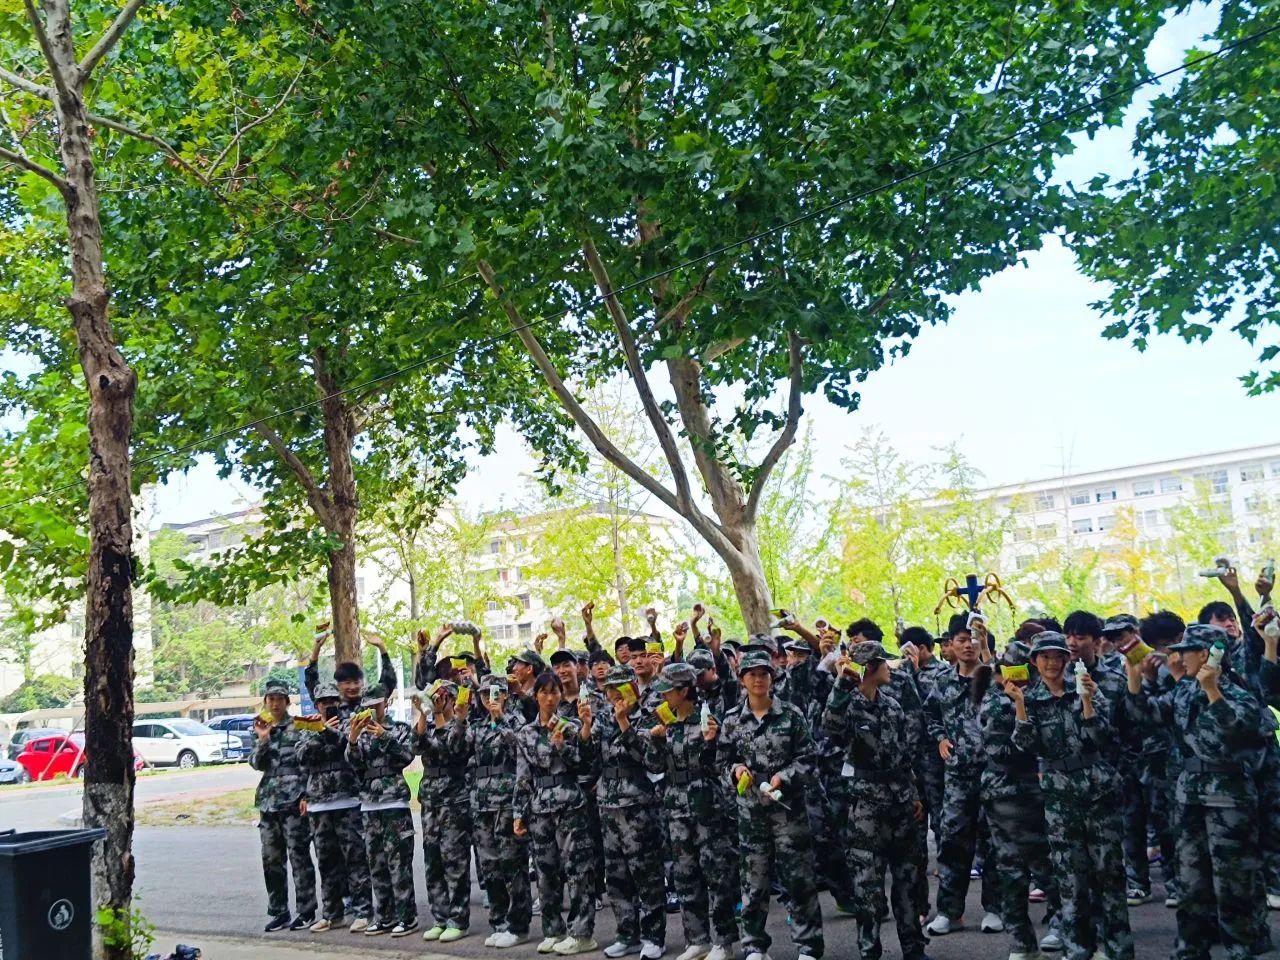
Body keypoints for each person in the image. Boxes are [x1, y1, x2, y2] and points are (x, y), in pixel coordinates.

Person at [1125, 623, 1270, 960]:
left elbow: (1239, 734)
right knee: (1191, 884)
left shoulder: (1238, 693)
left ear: (1205, 654)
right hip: (1189, 798)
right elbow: (1146, 716)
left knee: (1234, 885)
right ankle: (1190, 950)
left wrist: (1213, 690)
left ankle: (1243, 950)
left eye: (1185, 652)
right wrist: (1135, 679)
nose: (1179, 658)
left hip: (1229, 801)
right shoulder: (1184, 692)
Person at [1009, 632, 1133, 960]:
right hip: (1060, 796)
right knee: (1070, 877)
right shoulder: (1030, 698)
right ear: (1034, 661)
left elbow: (1103, 736)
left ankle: (1117, 949)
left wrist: (1088, 701)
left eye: (1058, 656)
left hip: (1098, 789)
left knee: (1109, 873)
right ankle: (1079, 949)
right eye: (1045, 657)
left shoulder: (1086, 687)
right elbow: (1025, 746)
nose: (1052, 663)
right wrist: (1019, 706)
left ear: (1067, 660)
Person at [714, 649, 824, 960]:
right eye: (752, 674)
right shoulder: (732, 720)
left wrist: (783, 777)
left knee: (798, 880)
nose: (758, 679)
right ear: (742, 680)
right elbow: (721, 762)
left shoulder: (791, 715)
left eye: (764, 674)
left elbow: (808, 759)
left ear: (772, 678)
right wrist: (736, 770)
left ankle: (808, 946)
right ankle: (754, 946)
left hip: (788, 811)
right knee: (754, 882)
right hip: (751, 813)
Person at [823, 641, 929, 960]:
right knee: (867, 885)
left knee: (908, 879)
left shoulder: (892, 705)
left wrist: (914, 793)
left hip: (900, 801)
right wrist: (841, 686)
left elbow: (903, 755)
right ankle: (869, 950)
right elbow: (830, 728)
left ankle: (913, 947)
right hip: (866, 805)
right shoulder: (847, 704)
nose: (889, 668)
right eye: (884, 663)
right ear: (870, 667)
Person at [644, 662, 738, 960]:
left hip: (706, 805)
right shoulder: (667, 724)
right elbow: (653, 766)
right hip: (676, 808)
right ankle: (697, 939)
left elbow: (720, 763)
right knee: (685, 875)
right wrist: (656, 741)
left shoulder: (707, 720)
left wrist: (711, 743)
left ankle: (723, 941)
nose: (663, 697)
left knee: (716, 873)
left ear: (684, 691)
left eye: (668, 691)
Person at [976, 643, 1061, 959]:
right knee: (1016, 867)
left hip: (1035, 790)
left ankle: (1057, 927)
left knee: (1042, 865)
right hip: (1008, 793)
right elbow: (1005, 750)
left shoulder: (1039, 696)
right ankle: (1025, 942)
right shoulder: (997, 702)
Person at [923, 613, 1001, 936]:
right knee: (952, 841)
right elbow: (930, 714)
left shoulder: (994, 677)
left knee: (993, 841)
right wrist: (940, 737)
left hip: (993, 773)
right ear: (951, 645)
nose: (968, 645)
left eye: (973, 639)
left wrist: (989, 657)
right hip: (957, 775)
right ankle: (949, 911)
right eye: (961, 640)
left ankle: (996, 908)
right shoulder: (942, 681)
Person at [585, 665, 667, 960]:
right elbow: (588, 758)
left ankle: (654, 936)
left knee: (646, 874)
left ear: (634, 687)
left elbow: (652, 760)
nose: (617, 695)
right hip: (608, 806)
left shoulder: (649, 717)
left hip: (638, 807)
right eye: (611, 689)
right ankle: (627, 934)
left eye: (622, 687)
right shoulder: (602, 719)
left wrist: (625, 725)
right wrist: (584, 729)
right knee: (616, 876)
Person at [513, 672, 597, 956]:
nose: (550, 698)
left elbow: (585, 764)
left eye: (555, 692)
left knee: (577, 869)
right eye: (544, 692)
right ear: (535, 695)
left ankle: (582, 933)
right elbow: (523, 777)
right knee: (545, 871)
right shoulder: (525, 733)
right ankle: (553, 930)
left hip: (569, 803)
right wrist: (518, 813)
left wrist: (561, 745)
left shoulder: (571, 727)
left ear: (561, 695)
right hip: (539, 807)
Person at [295, 681, 372, 932]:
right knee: (326, 861)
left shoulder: (350, 723)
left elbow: (347, 746)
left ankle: (363, 911)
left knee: (355, 858)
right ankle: (332, 913)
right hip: (319, 804)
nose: (328, 705)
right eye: (323, 701)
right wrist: (319, 731)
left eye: (332, 700)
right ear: (316, 704)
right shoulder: (307, 728)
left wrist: (329, 731)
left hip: (347, 800)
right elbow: (301, 756)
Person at [345, 684, 418, 937]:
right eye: (367, 706)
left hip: (394, 801)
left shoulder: (399, 728)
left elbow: (407, 756)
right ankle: (385, 916)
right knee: (376, 864)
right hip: (369, 804)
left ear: (385, 704)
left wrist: (384, 736)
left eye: (376, 705)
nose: (371, 710)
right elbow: (354, 765)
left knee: (398, 863)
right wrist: (353, 740)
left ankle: (407, 916)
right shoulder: (360, 732)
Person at [468, 677, 533, 949]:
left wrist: (501, 719)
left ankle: (518, 925)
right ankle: (499, 922)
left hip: (507, 802)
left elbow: (521, 748)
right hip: (482, 803)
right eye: (484, 693)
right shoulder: (478, 725)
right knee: (489, 866)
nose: (488, 698)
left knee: (512, 864)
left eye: (494, 693)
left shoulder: (516, 720)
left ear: (505, 694)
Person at [251, 679, 317, 933]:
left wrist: (307, 795)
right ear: (265, 702)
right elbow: (256, 763)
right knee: (271, 860)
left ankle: (306, 910)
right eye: (271, 699)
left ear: (287, 701)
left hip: (293, 801)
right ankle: (279, 911)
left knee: (299, 857)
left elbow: (308, 763)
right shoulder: (260, 727)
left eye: (280, 699)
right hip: (269, 803)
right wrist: (263, 739)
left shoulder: (299, 727)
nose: (275, 703)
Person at [415, 679, 474, 943]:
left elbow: (451, 750)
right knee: (433, 860)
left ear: (451, 699)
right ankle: (440, 918)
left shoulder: (461, 725)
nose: (438, 701)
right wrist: (423, 714)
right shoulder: (428, 725)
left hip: (453, 800)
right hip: (430, 800)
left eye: (442, 697)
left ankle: (458, 920)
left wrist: (439, 716)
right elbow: (416, 746)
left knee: (455, 860)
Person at [305, 625, 396, 712]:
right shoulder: (330, 702)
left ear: (362, 683)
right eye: (347, 683)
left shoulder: (369, 701)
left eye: (356, 682)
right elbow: (311, 682)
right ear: (339, 685)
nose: (352, 687)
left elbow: (389, 681)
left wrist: (381, 647)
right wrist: (317, 648)